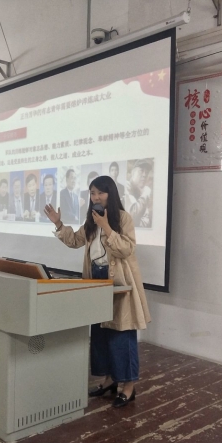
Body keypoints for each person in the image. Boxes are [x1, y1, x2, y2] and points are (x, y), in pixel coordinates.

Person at [43, 175, 151, 408]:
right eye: (92, 193)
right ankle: (109, 380)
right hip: (95, 279)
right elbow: (75, 241)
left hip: (118, 281)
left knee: (121, 333)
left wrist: (107, 227)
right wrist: (59, 225)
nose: (96, 197)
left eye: (101, 192)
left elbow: (127, 249)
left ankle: (128, 386)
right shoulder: (91, 221)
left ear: (111, 193)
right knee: (100, 332)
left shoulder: (123, 218)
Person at [126, 159, 153, 227]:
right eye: (141, 171)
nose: (144, 175)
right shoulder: (126, 187)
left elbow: (146, 221)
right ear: (133, 172)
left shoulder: (140, 192)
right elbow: (132, 214)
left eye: (146, 172)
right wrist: (146, 194)